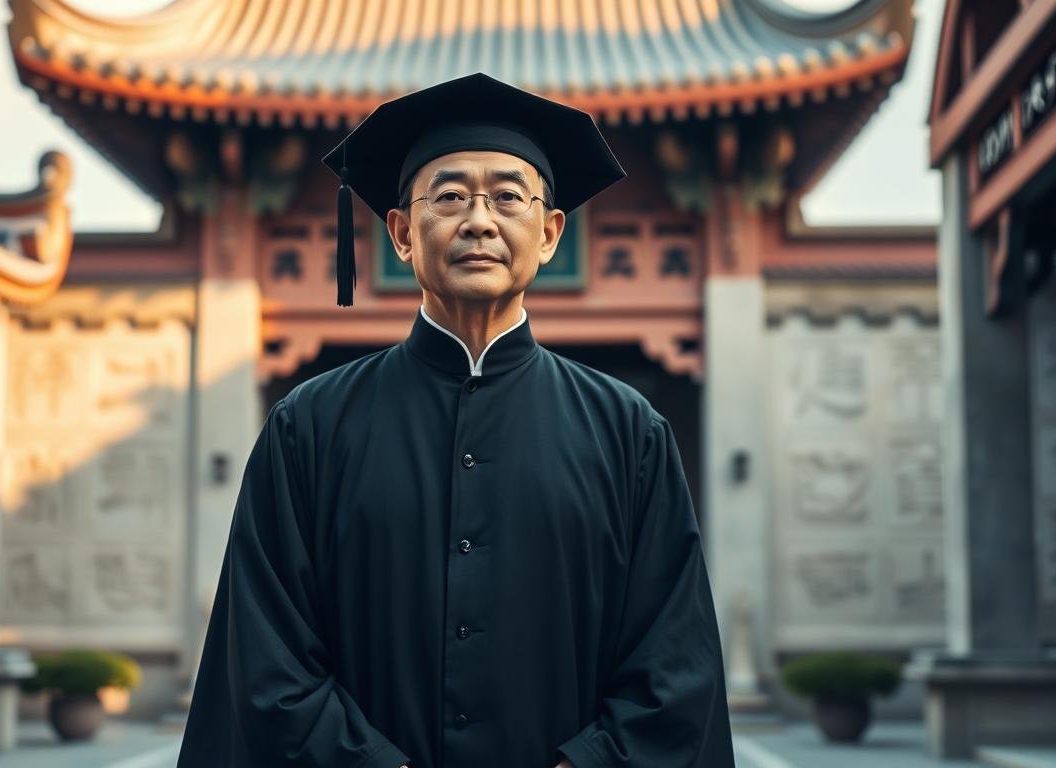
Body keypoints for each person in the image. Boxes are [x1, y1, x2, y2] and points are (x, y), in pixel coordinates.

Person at [178, 72, 734, 767]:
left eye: (508, 196)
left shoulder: (629, 434)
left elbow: (673, 661)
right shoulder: (310, 429)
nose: (479, 220)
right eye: (449, 196)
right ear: (403, 234)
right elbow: (264, 657)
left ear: (550, 233)